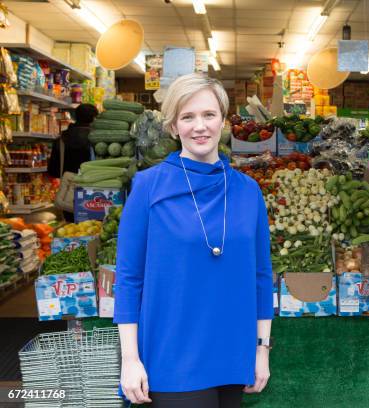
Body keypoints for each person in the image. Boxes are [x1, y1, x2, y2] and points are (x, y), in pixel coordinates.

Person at [114, 73, 274, 408]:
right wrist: (130, 360)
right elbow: (129, 279)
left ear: (223, 121)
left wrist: (261, 350)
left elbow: (261, 277)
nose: (199, 126)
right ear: (173, 127)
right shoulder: (148, 187)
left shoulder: (248, 191)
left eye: (208, 115)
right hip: (173, 358)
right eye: (187, 117)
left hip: (233, 354)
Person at [48, 103, 98, 221]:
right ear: (94, 119)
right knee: (93, 230)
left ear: (75, 117)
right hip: (94, 196)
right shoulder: (98, 140)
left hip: (68, 196)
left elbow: (53, 171)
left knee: (70, 232)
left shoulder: (61, 140)